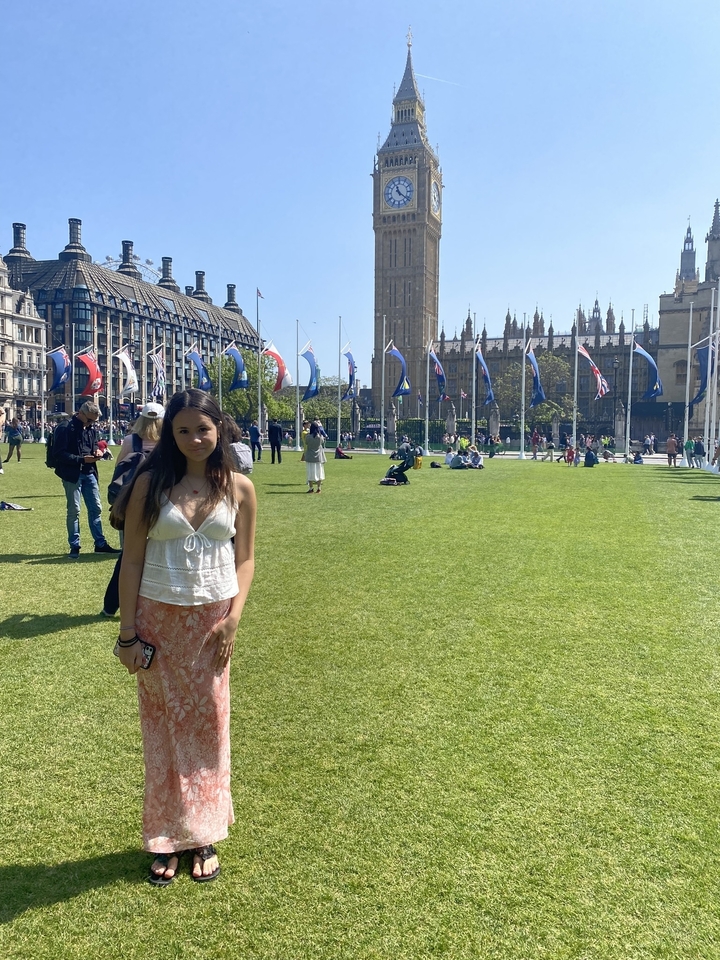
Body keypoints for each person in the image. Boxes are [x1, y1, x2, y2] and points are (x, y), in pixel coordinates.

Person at [114, 389, 256, 886]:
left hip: (213, 624)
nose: (194, 438)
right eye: (183, 430)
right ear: (170, 435)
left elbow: (246, 558)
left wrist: (234, 617)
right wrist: (128, 632)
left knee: (211, 728)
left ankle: (204, 833)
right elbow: (131, 559)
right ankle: (166, 836)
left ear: (219, 430)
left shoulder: (238, 487)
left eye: (203, 429)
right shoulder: (150, 484)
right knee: (163, 730)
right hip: (158, 619)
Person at [102, 403, 165, 617]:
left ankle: (111, 605)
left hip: (131, 506)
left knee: (128, 557)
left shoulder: (131, 441)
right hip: (161, 505)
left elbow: (119, 472)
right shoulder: (167, 443)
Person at [52, 401, 120, 558]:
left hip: (90, 472)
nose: (91, 423)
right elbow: (59, 454)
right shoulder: (65, 428)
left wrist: (96, 451)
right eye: (89, 420)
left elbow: (93, 445)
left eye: (93, 421)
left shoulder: (90, 428)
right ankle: (74, 546)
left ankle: (100, 543)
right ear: (81, 413)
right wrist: (82, 460)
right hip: (72, 474)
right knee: (74, 510)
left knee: (96, 508)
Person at [304, 421, 326, 492]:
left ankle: (311, 488)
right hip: (318, 456)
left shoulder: (308, 437)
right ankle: (319, 488)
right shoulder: (320, 437)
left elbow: (306, 443)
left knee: (310, 472)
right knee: (319, 472)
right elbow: (322, 441)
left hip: (310, 456)